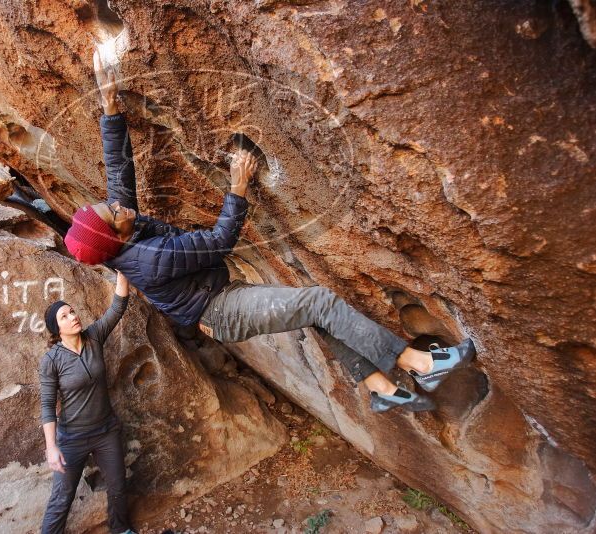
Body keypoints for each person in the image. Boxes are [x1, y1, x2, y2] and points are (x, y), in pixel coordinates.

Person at [62, 50, 476, 414]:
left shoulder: (121, 232)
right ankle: (421, 365)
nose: (118, 203)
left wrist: (109, 103)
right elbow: (218, 243)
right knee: (321, 303)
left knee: (318, 315)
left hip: (218, 300)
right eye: (113, 211)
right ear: (113, 236)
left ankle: (381, 389)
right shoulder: (147, 259)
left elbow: (118, 169)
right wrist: (237, 188)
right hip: (222, 311)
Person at [38, 270, 136, 534]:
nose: (73, 317)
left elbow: (117, 307)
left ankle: (121, 529)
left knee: (117, 487)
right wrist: (51, 447)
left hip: (106, 431)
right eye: (65, 316)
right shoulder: (51, 361)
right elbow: (47, 405)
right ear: (56, 330)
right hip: (72, 438)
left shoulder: (94, 337)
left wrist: (123, 273)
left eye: (72, 311)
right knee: (62, 498)